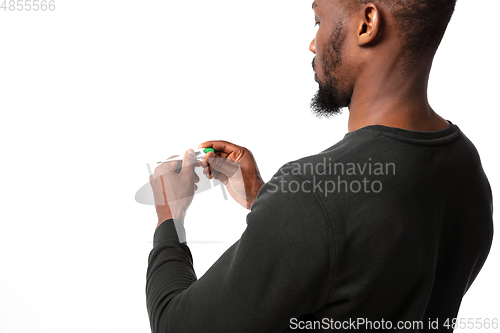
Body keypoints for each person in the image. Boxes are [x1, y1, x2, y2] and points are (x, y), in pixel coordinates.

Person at [146, 0, 493, 332]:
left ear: (367, 24)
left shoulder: (311, 195)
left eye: (319, 20)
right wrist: (262, 197)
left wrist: (169, 217)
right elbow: (362, 259)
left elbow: (174, 324)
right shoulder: (465, 166)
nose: (313, 44)